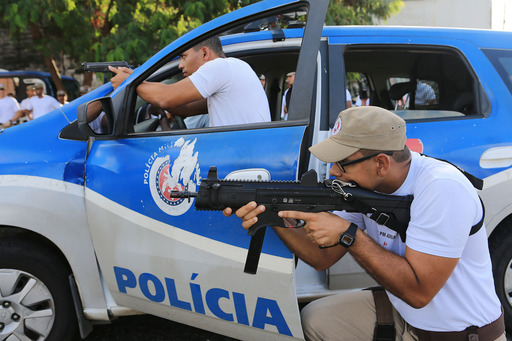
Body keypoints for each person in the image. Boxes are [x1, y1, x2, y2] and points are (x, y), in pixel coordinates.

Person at [225, 106, 505, 341]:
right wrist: (273, 215)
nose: (334, 172)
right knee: (316, 319)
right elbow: (322, 257)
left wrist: (350, 235)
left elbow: (420, 293)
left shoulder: (441, 188)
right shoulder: (366, 188)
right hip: (404, 315)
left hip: (459, 334)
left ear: (381, 163)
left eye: (341, 163)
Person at [109, 36, 270, 128]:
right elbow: (185, 109)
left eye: (183, 57)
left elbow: (166, 96)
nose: (180, 65)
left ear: (205, 53)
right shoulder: (233, 69)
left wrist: (130, 81)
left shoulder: (219, 67)